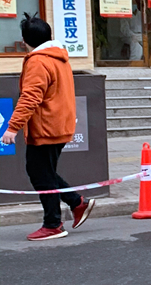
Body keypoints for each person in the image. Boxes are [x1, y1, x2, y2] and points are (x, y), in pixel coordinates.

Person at [1, 14, 95, 241]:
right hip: (58, 125)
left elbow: (30, 97)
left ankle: (53, 224)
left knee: (40, 174)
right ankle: (76, 202)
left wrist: (12, 127)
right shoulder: (58, 57)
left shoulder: (38, 61)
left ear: (25, 40)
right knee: (44, 172)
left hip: (47, 127)